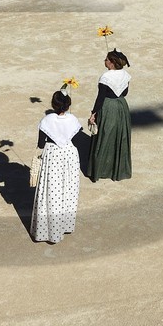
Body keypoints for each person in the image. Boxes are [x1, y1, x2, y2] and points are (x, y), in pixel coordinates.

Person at [31, 89, 82, 244]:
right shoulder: (73, 119)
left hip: (52, 155)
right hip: (70, 155)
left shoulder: (47, 120)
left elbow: (41, 143)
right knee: (68, 189)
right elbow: (76, 137)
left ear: (53, 104)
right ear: (68, 105)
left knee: (51, 191)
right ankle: (65, 225)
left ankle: (48, 231)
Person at [85, 50, 131, 182]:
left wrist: (94, 113)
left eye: (106, 59)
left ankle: (99, 170)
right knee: (119, 136)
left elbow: (100, 98)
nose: (104, 61)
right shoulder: (125, 75)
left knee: (104, 137)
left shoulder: (105, 77)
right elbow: (125, 92)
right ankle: (117, 170)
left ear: (111, 63)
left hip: (108, 108)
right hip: (122, 107)